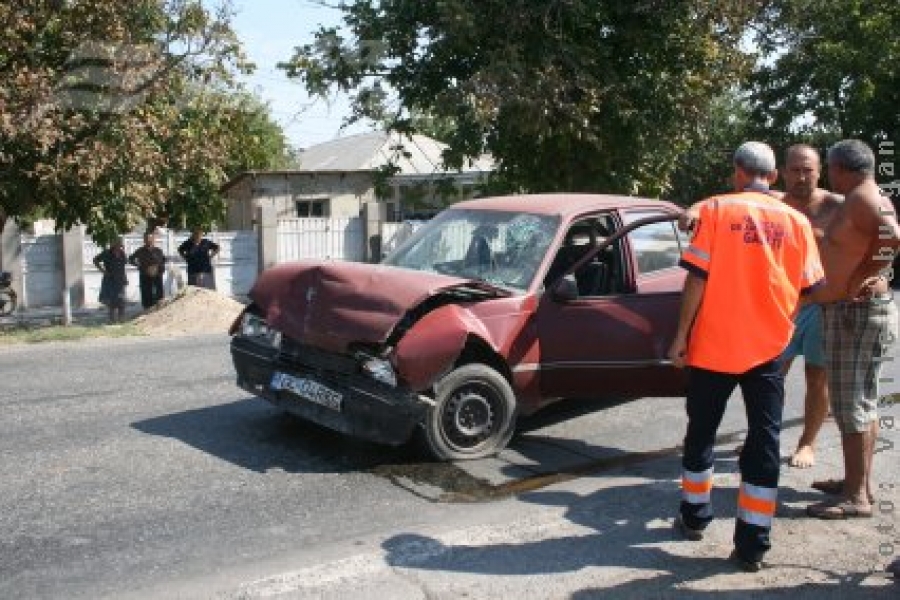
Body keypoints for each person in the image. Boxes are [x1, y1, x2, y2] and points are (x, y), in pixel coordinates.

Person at [668, 141, 825, 572]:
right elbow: (810, 289)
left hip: (714, 346)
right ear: (773, 177)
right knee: (764, 441)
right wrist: (782, 316)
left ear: (737, 172)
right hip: (769, 350)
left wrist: (680, 335)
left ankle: (695, 517)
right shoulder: (796, 221)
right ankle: (753, 544)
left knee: (701, 432)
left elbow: (697, 279)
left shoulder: (717, 211)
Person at [805, 139, 900, 519]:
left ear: (841, 169)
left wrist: (863, 274)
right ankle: (857, 484)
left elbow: (892, 237)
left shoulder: (862, 198)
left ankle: (855, 498)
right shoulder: (861, 197)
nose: (829, 175)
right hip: (853, 311)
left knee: (849, 405)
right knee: (863, 402)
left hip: (853, 313)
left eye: (830, 168)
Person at [776, 144, 844, 468]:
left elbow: (884, 233)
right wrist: (691, 212)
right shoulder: (772, 204)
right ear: (783, 171)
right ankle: (762, 434)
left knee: (817, 377)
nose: (802, 177)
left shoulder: (838, 206)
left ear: (819, 172)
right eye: (795, 170)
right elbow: (726, 203)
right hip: (782, 305)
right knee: (769, 375)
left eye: (808, 170)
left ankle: (807, 444)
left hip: (823, 307)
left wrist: (874, 276)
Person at [93, 237, 129, 324]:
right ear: (113, 244)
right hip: (110, 279)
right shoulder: (106, 253)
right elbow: (95, 260)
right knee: (111, 301)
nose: (119, 246)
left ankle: (121, 319)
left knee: (121, 300)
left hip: (120, 279)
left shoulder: (122, 253)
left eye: (120, 244)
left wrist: (125, 278)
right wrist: (103, 271)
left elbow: (123, 267)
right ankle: (111, 320)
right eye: (117, 243)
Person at [128, 232, 167, 309]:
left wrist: (160, 269)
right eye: (146, 239)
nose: (148, 240)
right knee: (146, 293)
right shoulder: (140, 251)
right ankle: (147, 309)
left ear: (153, 239)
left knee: (159, 292)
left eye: (149, 238)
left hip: (157, 275)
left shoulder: (158, 250)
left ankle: (159, 308)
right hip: (145, 274)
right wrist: (139, 265)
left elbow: (163, 260)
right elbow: (131, 259)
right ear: (144, 240)